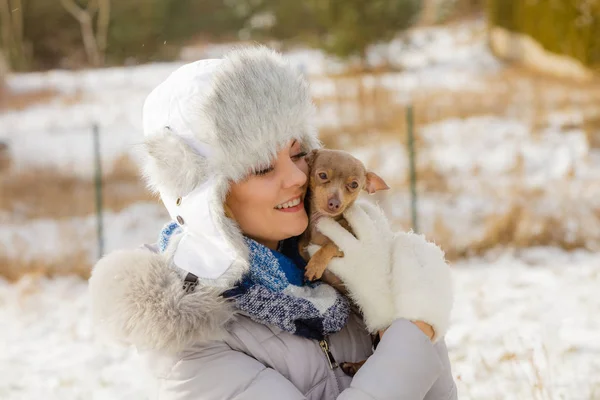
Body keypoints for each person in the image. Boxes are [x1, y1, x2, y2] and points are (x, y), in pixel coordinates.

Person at [89, 46, 457, 400]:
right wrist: (415, 333)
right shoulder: (191, 342)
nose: (298, 177)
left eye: (298, 154)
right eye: (263, 167)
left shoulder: (346, 270)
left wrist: (403, 299)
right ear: (207, 197)